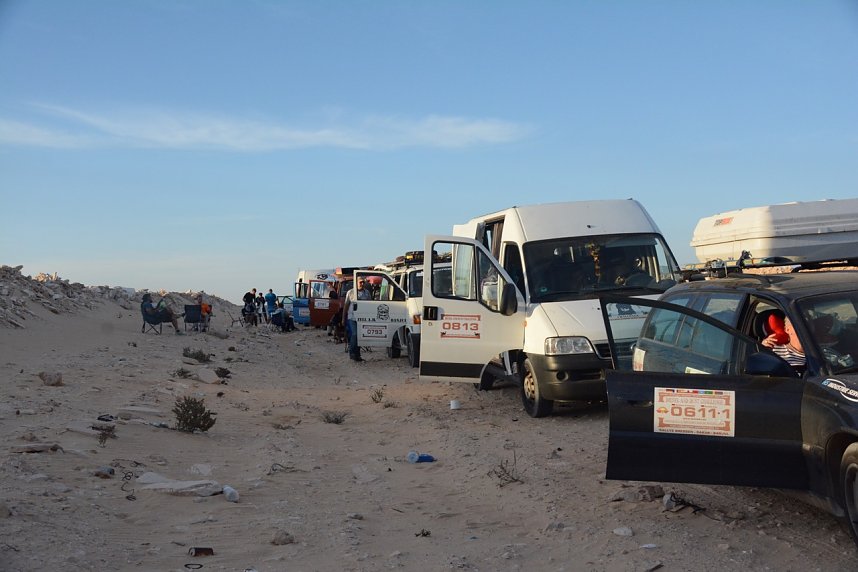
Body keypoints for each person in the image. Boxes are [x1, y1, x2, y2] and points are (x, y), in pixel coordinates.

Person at [342, 278, 372, 361]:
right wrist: (343, 319)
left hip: (363, 318)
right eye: (360, 282)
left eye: (363, 282)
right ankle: (352, 353)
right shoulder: (351, 292)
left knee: (360, 336)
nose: (362, 284)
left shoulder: (366, 293)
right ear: (356, 282)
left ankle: (357, 355)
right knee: (355, 334)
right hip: (352, 317)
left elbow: (370, 305)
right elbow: (346, 306)